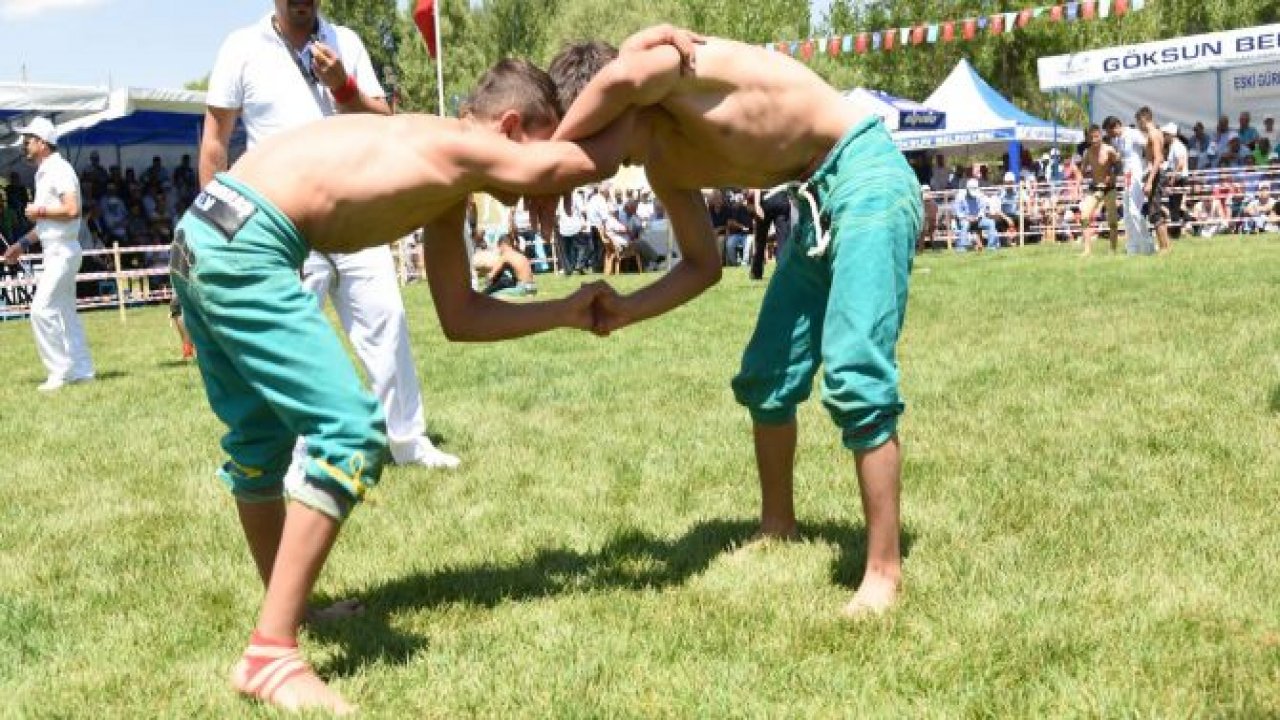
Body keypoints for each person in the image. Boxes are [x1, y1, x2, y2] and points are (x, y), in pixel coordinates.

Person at [172, 58, 630, 715]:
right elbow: (569, 166)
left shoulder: (442, 169)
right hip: (246, 247)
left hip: (204, 234)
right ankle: (270, 655)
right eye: (539, 143)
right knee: (353, 432)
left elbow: (461, 317)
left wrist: (561, 311)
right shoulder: (460, 145)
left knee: (259, 441)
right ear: (507, 127)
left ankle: (288, 610)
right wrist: (645, 94)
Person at [550, 25, 923, 617]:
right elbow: (701, 267)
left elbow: (619, 75)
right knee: (766, 374)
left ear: (616, 106)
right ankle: (777, 526)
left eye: (598, 140)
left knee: (856, 372)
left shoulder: (673, 72)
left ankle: (884, 571)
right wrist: (627, 311)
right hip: (816, 201)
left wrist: (552, 168)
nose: (602, 161)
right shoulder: (662, 167)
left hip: (866, 174)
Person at [200, 0, 460, 473]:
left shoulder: (346, 42)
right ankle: (299, 450)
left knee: (387, 321)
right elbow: (216, 141)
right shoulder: (240, 47)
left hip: (358, 211)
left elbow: (387, 125)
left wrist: (344, 85)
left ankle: (407, 441)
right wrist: (218, 227)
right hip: (283, 221)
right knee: (291, 337)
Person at [1, 117, 96, 391]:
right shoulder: (46, 172)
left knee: (40, 310)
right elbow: (46, 226)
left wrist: (39, 211)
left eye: (28, 141)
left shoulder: (59, 170)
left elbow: (72, 210)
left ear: (42, 143)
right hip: (57, 249)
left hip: (62, 252)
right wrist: (21, 244)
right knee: (65, 313)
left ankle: (60, 372)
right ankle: (82, 370)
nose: (24, 146)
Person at [1104, 115, 1152, 255]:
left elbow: (1148, 145)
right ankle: (1133, 246)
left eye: (1111, 132)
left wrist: (1148, 166)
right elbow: (1120, 158)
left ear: (1117, 125)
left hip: (1137, 174)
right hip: (1126, 176)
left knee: (1134, 210)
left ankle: (1146, 245)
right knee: (1127, 213)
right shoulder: (1116, 139)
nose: (1110, 135)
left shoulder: (1133, 133)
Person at [1077, 124, 1122, 257]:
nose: (1094, 139)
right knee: (1084, 216)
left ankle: (1113, 250)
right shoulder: (1087, 152)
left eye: (1096, 136)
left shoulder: (1109, 150)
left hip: (1109, 189)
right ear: (1088, 138)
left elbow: (1119, 164)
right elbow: (1082, 171)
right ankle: (1087, 250)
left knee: (1112, 221)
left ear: (1101, 136)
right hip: (1095, 188)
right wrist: (1078, 182)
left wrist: (1112, 175)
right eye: (1091, 137)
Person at [1135, 107, 1171, 254]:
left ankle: (1164, 248)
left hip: (1155, 174)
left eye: (1138, 122)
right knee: (1154, 211)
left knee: (1154, 212)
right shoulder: (1156, 133)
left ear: (1143, 119)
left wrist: (1149, 181)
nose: (1138, 126)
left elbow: (1158, 159)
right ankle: (1166, 246)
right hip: (1154, 173)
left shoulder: (1154, 134)